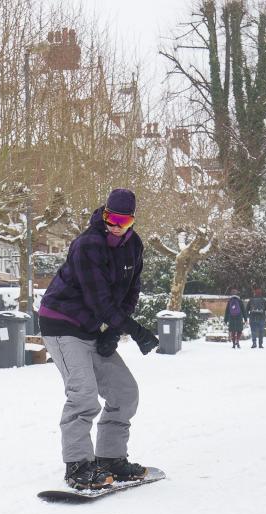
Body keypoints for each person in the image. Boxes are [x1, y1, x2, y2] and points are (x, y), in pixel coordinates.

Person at [38, 188, 160, 490]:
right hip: (63, 324)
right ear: (103, 214)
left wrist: (114, 331)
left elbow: (130, 292)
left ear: (132, 221)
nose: (115, 225)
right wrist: (134, 330)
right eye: (110, 218)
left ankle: (110, 458)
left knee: (124, 392)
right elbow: (99, 300)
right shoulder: (87, 245)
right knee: (83, 394)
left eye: (123, 221)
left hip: (93, 327)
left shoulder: (135, 247)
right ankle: (78, 464)